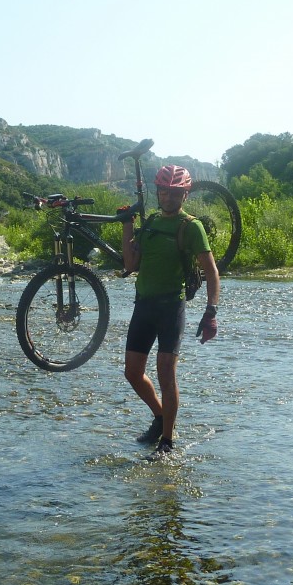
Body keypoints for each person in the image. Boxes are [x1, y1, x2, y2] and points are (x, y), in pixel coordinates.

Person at [120, 164, 221, 455]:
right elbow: (130, 265)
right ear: (158, 192)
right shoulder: (150, 222)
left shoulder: (190, 226)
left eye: (175, 193)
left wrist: (211, 312)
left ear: (185, 195)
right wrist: (127, 225)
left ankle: (167, 441)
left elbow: (211, 271)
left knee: (165, 372)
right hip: (144, 306)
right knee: (132, 372)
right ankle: (161, 415)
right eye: (163, 191)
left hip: (170, 308)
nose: (168, 197)